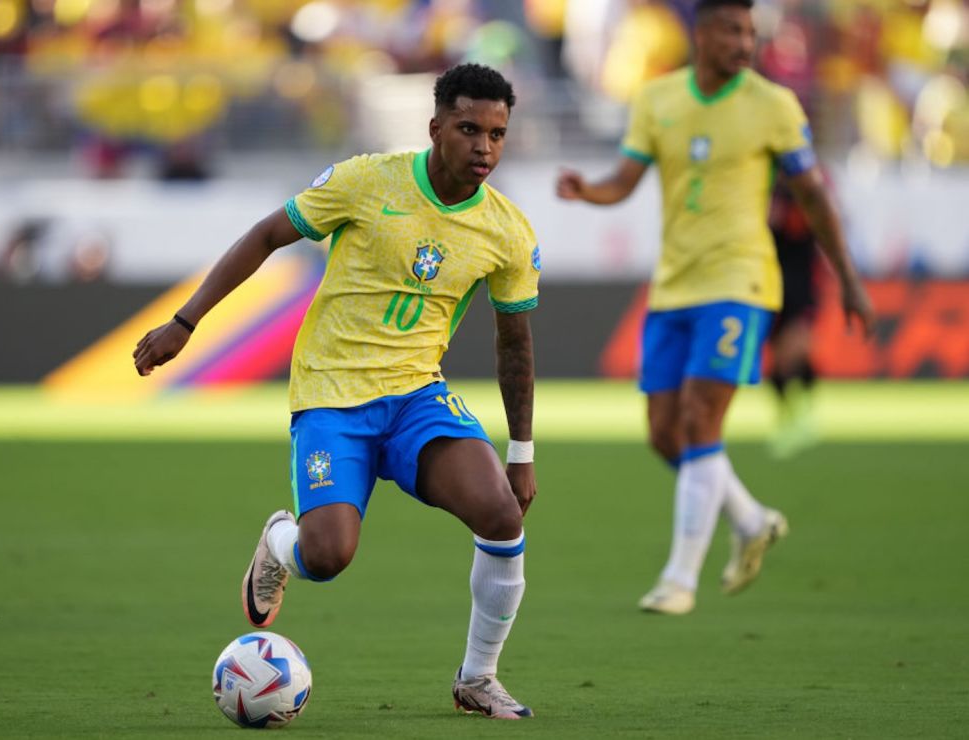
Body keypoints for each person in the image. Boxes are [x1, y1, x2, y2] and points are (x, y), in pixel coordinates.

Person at [133, 63, 540, 718]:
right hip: (332, 394)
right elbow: (268, 234)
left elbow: (514, 344)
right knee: (326, 557)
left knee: (501, 513)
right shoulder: (365, 180)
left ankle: (477, 677)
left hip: (415, 397)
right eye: (469, 129)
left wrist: (521, 451)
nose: (484, 148)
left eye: (497, 134)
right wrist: (186, 321)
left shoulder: (508, 231)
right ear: (435, 128)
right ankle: (280, 544)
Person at [556, 0, 874, 615]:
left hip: (741, 281)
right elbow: (626, 179)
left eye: (751, 32)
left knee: (701, 421)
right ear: (702, 35)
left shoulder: (774, 105)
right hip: (674, 285)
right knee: (662, 435)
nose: (745, 42)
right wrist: (587, 190)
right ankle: (751, 520)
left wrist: (851, 279)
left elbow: (813, 195)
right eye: (733, 30)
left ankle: (680, 579)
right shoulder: (657, 100)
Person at [767, 182, 821, 458]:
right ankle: (787, 418)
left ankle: (803, 417)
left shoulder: (806, 194)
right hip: (770, 290)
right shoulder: (766, 191)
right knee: (777, 364)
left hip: (801, 291)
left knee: (795, 353)